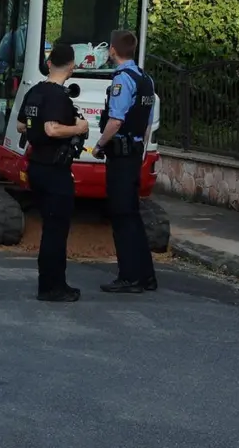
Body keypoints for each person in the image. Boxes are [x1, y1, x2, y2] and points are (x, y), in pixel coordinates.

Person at [16, 44, 89, 302]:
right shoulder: (58, 97)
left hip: (37, 165)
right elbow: (52, 129)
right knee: (56, 230)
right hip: (54, 168)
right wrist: (79, 128)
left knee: (50, 227)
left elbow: (21, 124)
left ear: (48, 63)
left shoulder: (35, 91)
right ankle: (52, 286)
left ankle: (51, 283)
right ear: (71, 66)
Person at [92, 30, 156, 294]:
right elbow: (148, 121)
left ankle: (129, 276)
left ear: (113, 51)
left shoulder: (122, 79)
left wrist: (99, 145)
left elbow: (116, 121)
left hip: (120, 154)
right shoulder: (145, 78)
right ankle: (146, 276)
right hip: (134, 151)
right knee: (133, 215)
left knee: (121, 216)